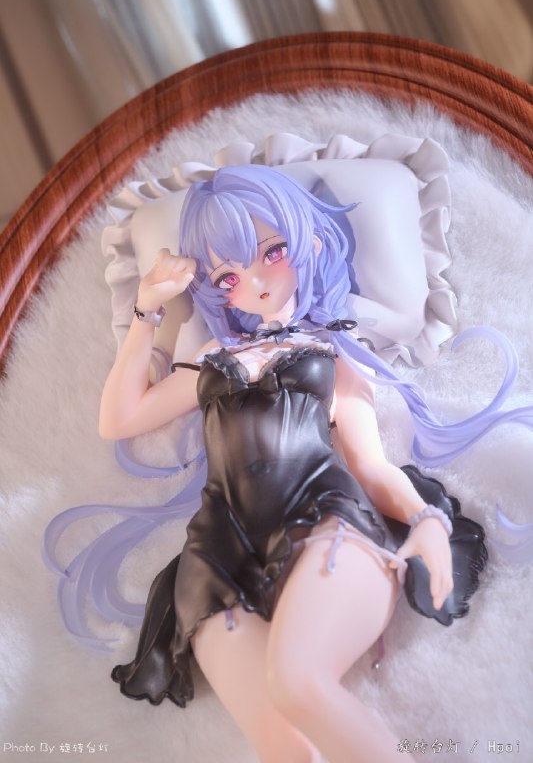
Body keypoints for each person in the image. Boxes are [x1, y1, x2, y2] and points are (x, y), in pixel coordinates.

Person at [92, 165, 494, 763]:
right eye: (229, 276)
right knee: (285, 749)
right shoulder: (213, 356)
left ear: (309, 241)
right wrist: (147, 310)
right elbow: (118, 418)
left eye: (272, 252)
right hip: (217, 552)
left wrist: (426, 519)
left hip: (326, 522)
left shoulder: (330, 353)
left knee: (297, 683)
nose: (255, 281)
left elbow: (370, 465)